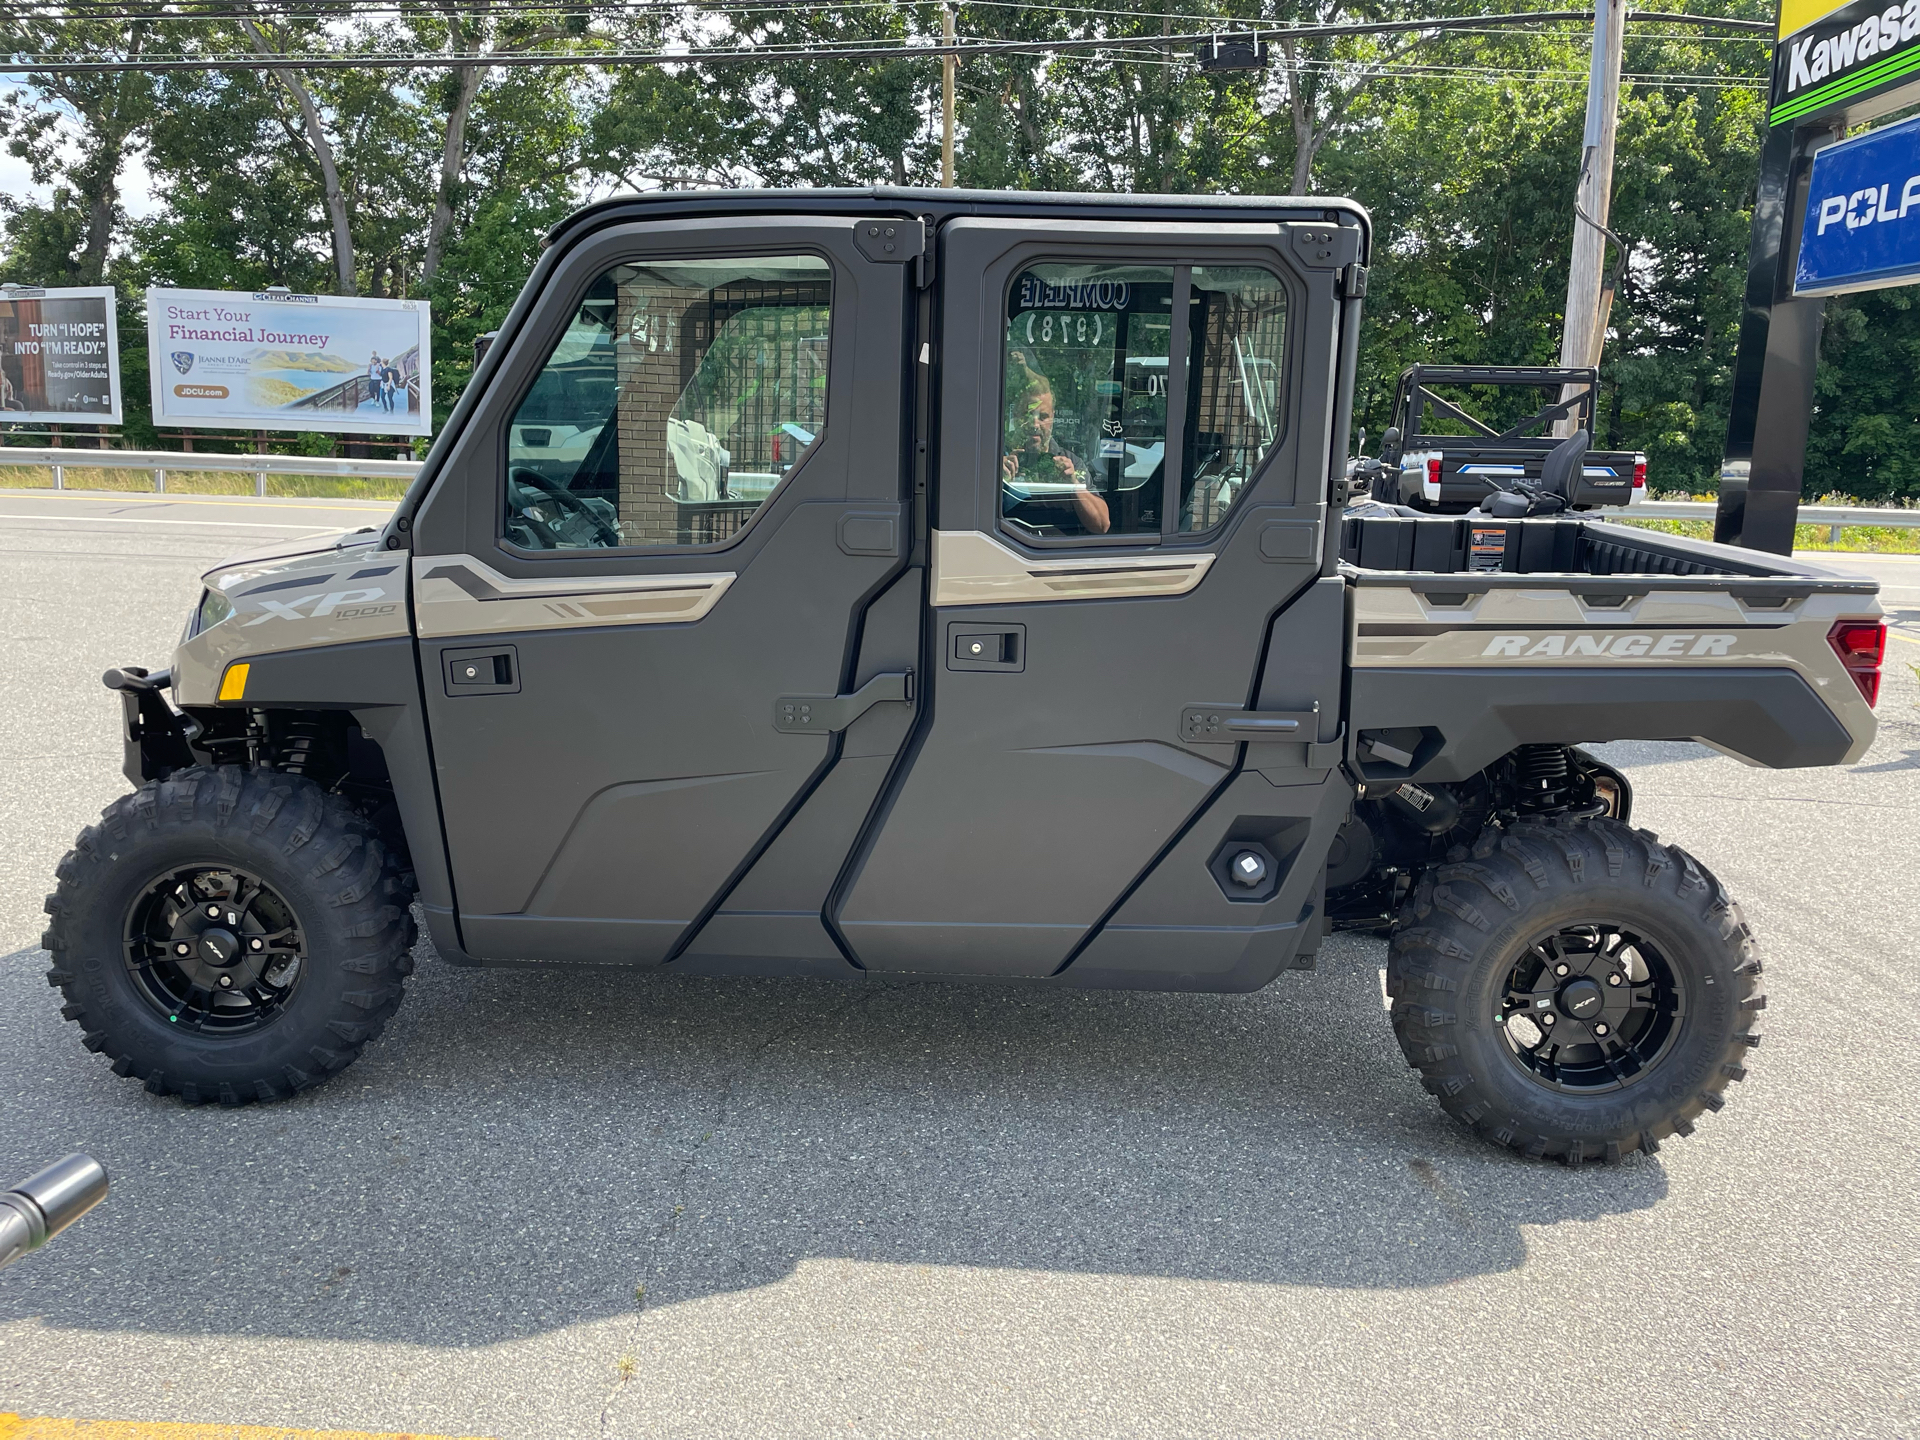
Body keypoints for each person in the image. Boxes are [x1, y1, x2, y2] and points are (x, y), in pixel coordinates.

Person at [1001, 368, 1108, 535]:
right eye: (1027, 416)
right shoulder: (999, 458)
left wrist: (1073, 485)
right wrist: (995, 480)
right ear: (1015, 417)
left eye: (1043, 416)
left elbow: (1102, 525)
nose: (1035, 424)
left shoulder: (1070, 463)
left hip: (1058, 555)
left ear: (1053, 418)